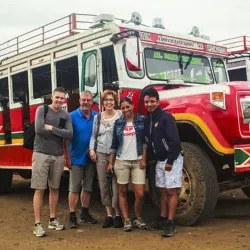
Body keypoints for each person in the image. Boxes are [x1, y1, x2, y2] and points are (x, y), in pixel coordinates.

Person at [31, 87, 73, 237]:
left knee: (54, 187)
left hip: (58, 155)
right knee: (39, 189)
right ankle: (37, 224)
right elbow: (39, 130)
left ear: (64, 99)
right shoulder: (42, 110)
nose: (59, 101)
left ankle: (52, 219)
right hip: (41, 154)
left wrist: (51, 128)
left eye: (62, 98)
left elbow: (69, 134)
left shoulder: (66, 115)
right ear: (52, 97)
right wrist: (58, 132)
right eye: (57, 97)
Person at [142, 87, 183, 237]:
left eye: (152, 101)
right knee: (162, 191)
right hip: (159, 160)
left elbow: (175, 142)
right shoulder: (148, 119)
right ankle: (162, 218)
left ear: (158, 102)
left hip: (172, 158)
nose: (149, 104)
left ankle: (171, 222)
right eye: (147, 102)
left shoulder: (166, 118)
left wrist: (170, 160)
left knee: (171, 190)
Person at [108, 97, 147, 232]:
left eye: (127, 107)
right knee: (122, 192)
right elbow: (114, 145)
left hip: (138, 160)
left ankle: (137, 217)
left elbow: (144, 142)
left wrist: (144, 159)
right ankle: (126, 220)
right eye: (123, 108)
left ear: (132, 106)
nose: (125, 110)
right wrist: (110, 162)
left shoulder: (141, 120)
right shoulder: (118, 123)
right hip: (121, 161)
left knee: (140, 194)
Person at [89, 90, 123, 228]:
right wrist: (91, 149)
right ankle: (109, 215)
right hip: (101, 154)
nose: (109, 102)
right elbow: (93, 136)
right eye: (106, 100)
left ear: (115, 102)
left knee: (116, 185)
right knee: (103, 185)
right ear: (102, 103)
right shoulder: (97, 118)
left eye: (111, 99)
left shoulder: (120, 115)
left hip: (117, 155)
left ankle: (118, 215)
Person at [66, 90, 98, 228]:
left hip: (91, 159)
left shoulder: (97, 116)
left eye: (88, 100)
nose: (86, 102)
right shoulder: (71, 116)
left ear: (92, 102)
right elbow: (66, 139)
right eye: (83, 100)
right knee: (74, 188)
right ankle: (72, 216)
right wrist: (66, 156)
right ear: (79, 101)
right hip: (76, 158)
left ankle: (84, 213)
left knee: (88, 188)